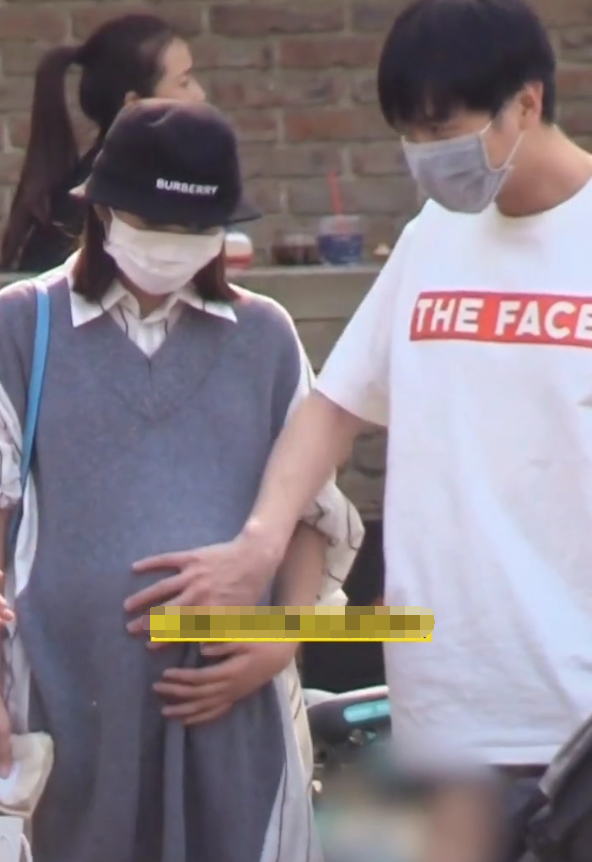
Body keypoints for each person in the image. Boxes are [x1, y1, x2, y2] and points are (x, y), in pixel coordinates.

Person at [126, 0, 592, 856]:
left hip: (575, 714)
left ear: (527, 103)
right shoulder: (434, 237)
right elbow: (335, 406)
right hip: (444, 711)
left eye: (441, 129)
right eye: (408, 134)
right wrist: (259, 544)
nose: (425, 153)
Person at [0, 98, 362, 862]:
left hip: (235, 721)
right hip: (66, 708)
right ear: (102, 211)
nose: (171, 246)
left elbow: (314, 512)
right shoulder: (23, 328)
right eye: (153, 223)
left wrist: (280, 640)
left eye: (195, 228)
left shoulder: (264, 337)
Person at [0, 13, 205, 274]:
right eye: (184, 83)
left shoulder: (165, 182)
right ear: (134, 105)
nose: (200, 95)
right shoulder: (96, 202)